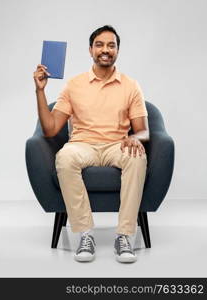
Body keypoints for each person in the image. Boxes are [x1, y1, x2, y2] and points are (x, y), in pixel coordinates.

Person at [33, 25, 149, 263]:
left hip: (116, 145)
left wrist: (134, 138)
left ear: (117, 50)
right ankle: (85, 234)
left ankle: (124, 236)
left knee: (137, 157)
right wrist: (40, 91)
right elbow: (50, 129)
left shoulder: (131, 85)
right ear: (90, 50)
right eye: (99, 45)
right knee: (64, 158)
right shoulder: (74, 85)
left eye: (111, 45)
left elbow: (144, 131)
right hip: (82, 145)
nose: (105, 50)